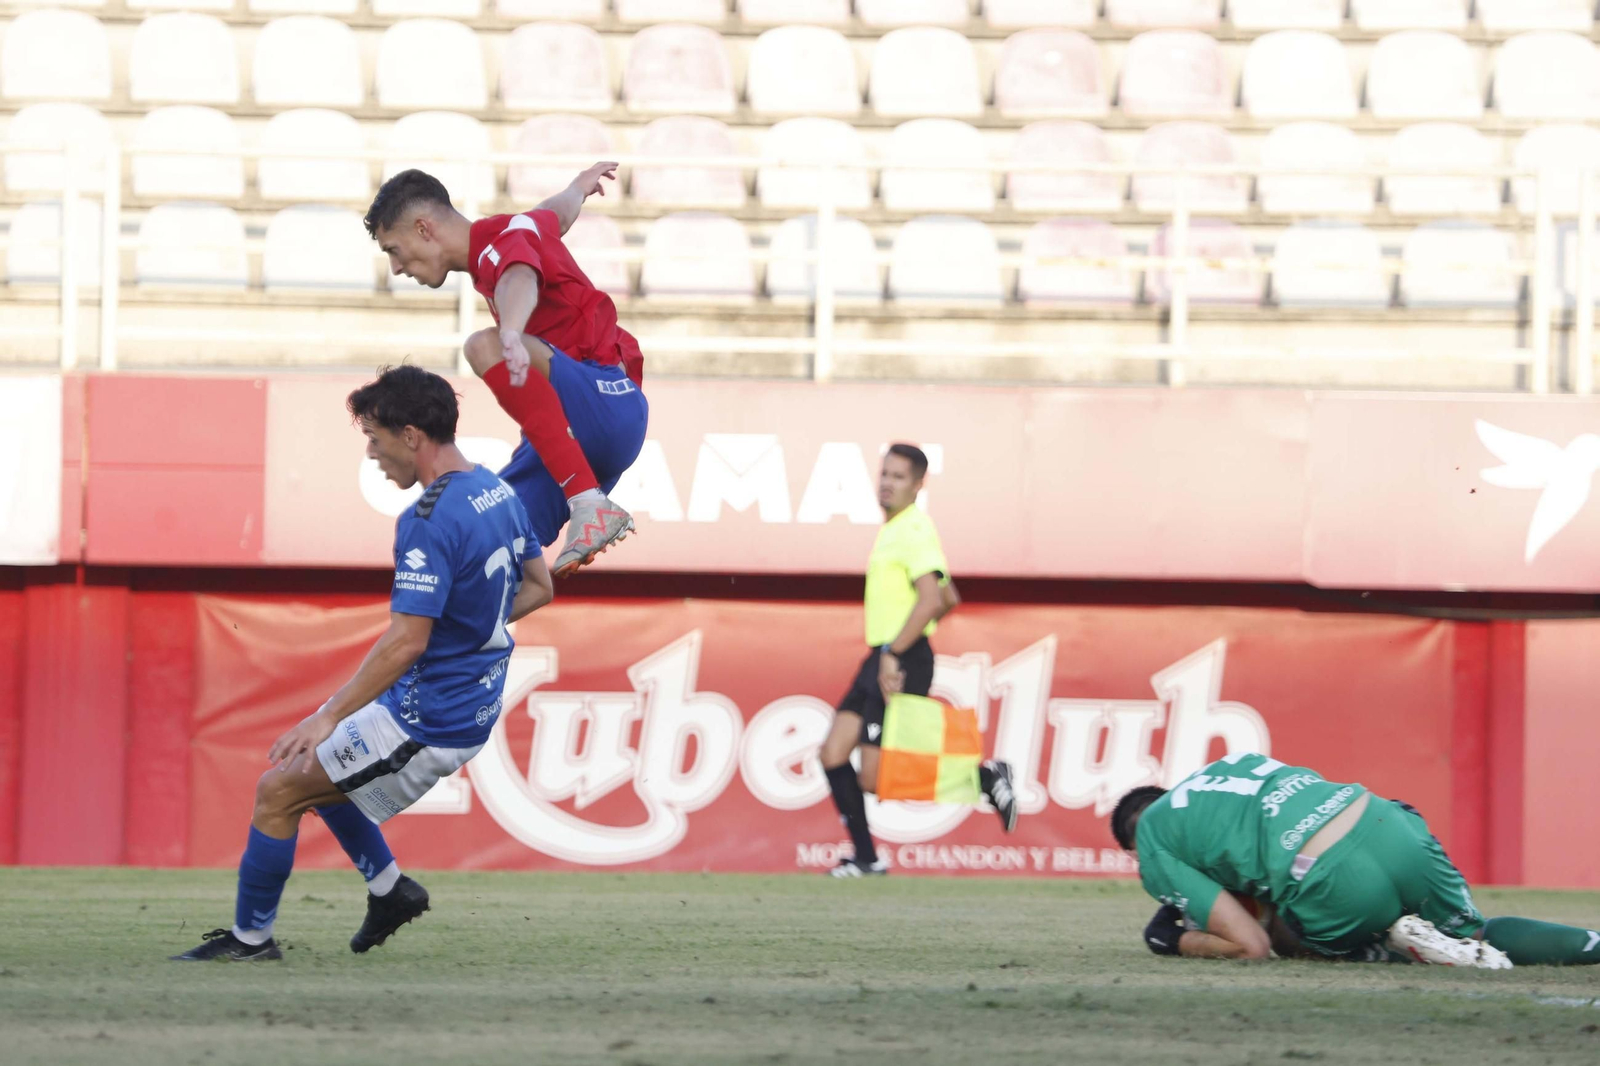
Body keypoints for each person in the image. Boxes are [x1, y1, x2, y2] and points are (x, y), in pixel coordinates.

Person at [173, 365, 552, 961]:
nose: (373, 454)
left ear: (409, 435)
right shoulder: (497, 491)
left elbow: (406, 643)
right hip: (456, 695)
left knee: (278, 791)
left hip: (430, 717)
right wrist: (473, 632)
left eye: (375, 438)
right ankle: (389, 889)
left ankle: (251, 942)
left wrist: (326, 716)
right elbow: (539, 587)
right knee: (322, 782)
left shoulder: (427, 521)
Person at [364, 164, 646, 578]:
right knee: (485, 547)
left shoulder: (503, 246)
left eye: (393, 249)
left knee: (483, 344)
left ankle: (587, 501)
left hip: (605, 402)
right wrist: (577, 188)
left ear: (424, 229)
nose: (395, 267)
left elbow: (520, 278)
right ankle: (466, 630)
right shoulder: (522, 228)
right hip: (578, 439)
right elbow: (558, 213)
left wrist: (511, 332)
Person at [1113, 752, 1600, 968]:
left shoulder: (1154, 842)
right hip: (1388, 821)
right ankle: (1592, 944)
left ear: (1133, 850)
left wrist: (1176, 939)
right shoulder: (1226, 769)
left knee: (1291, 938)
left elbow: (1250, 945)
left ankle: (1394, 946)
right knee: (1476, 932)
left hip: (1328, 875)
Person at [819, 443, 1018, 877]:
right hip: (882, 655)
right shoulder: (895, 529)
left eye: (899, 477)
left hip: (897, 657)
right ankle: (868, 858)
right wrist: (891, 647)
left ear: (918, 484)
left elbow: (930, 600)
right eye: (885, 474)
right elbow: (949, 596)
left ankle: (984, 777)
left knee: (873, 776)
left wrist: (897, 650)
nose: (887, 483)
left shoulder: (912, 529)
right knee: (834, 753)